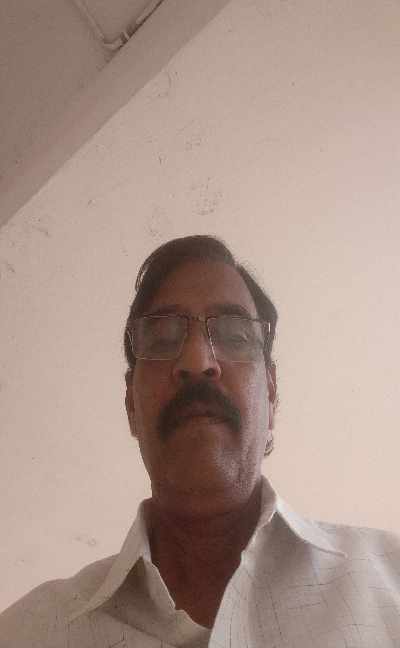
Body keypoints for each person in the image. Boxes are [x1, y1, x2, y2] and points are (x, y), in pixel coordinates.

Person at [1, 234, 399, 648]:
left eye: (235, 336)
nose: (197, 361)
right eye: (162, 339)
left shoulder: (389, 584)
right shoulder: (27, 633)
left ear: (270, 394)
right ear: (131, 405)